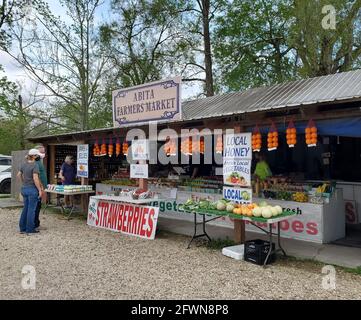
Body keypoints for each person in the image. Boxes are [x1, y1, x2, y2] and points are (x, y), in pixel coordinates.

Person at [17, 149, 44, 235]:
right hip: (32, 189)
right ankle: (30, 229)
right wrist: (40, 190)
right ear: (35, 156)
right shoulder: (35, 165)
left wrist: (24, 182)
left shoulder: (24, 164)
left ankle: (22, 228)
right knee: (31, 210)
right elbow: (35, 178)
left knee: (25, 208)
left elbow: (18, 175)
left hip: (24, 188)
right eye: (37, 155)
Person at [34, 144, 47, 230]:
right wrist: (41, 188)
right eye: (42, 152)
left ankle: (36, 223)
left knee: (38, 206)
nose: (44, 153)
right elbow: (36, 177)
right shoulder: (36, 163)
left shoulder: (39, 162)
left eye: (44, 151)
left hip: (40, 188)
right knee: (36, 207)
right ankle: (35, 224)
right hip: (37, 188)